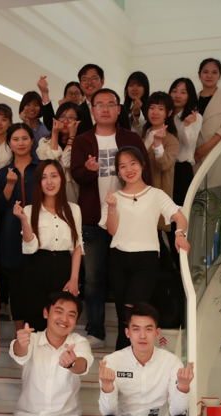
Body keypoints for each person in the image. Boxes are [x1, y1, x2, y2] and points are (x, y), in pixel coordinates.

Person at [70, 88, 147, 350]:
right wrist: (89, 171)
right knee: (93, 278)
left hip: (127, 220)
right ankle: (96, 331)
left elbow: (145, 172)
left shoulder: (131, 138)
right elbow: (77, 176)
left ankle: (129, 333)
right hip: (93, 219)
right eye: (99, 105)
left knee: (123, 278)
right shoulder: (83, 140)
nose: (105, 109)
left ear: (118, 109)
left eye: (110, 104)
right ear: (92, 110)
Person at [0, 292, 99, 416]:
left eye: (71, 315)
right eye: (59, 311)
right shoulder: (31, 339)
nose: (64, 319)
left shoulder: (79, 342)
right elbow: (19, 353)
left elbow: (82, 365)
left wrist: (71, 363)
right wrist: (21, 342)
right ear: (45, 313)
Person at [100, 146, 190, 350]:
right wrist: (112, 208)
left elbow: (179, 217)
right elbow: (112, 230)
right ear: (118, 171)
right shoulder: (113, 197)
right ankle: (124, 360)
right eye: (122, 166)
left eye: (132, 163)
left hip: (146, 260)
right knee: (123, 315)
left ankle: (124, 358)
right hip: (118, 260)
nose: (128, 169)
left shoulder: (156, 194)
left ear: (142, 165)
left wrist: (179, 234)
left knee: (131, 311)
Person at [97, 303, 195, 416]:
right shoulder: (112, 361)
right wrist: (107, 386)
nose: (142, 336)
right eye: (136, 329)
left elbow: (177, 411)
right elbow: (109, 412)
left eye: (148, 329)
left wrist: (183, 387)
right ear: (127, 333)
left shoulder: (171, 362)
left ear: (157, 333)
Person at [13, 160, 83, 331]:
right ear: (38, 182)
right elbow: (30, 248)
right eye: (44, 177)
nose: (49, 182)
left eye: (54, 176)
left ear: (62, 179)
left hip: (63, 268)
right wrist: (24, 220)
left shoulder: (74, 210)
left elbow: (77, 246)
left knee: (60, 321)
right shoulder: (29, 211)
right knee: (35, 321)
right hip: (36, 269)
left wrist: (74, 279)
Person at [0, 123, 40, 332]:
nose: (20, 143)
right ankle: (21, 333)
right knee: (17, 287)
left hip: (38, 232)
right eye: (15, 139)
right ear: (9, 143)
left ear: (32, 141)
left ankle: (38, 332)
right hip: (11, 234)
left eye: (24, 138)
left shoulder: (41, 168)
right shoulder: (3, 173)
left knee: (37, 286)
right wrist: (10, 185)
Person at [193, 58, 221, 263]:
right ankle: (192, 259)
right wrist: (196, 152)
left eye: (214, 72)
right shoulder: (192, 98)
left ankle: (203, 260)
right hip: (194, 160)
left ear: (219, 75)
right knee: (194, 213)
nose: (209, 75)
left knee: (212, 215)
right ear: (199, 74)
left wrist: (204, 149)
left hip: (217, 159)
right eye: (205, 71)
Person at [39, 65, 131, 134]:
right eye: (84, 79)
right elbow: (52, 126)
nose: (89, 82)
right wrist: (45, 94)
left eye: (93, 78)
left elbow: (127, 137)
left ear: (102, 81)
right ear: (80, 84)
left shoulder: (118, 109)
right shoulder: (77, 111)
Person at [169, 77, 202, 267]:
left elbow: (188, 143)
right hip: (165, 168)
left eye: (183, 92)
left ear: (190, 96)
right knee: (164, 216)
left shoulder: (194, 116)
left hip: (182, 170)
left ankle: (181, 264)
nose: (178, 95)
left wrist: (188, 124)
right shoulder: (166, 114)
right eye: (175, 90)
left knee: (179, 216)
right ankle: (171, 264)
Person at [141, 91, 179, 232]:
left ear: (169, 113)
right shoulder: (141, 135)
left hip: (157, 195)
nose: (155, 112)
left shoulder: (171, 140)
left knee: (157, 236)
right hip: (139, 193)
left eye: (161, 109)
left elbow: (164, 165)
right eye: (152, 107)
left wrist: (157, 143)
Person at [35, 102, 81, 203]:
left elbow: (66, 163)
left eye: (71, 117)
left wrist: (72, 135)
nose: (65, 121)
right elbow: (49, 163)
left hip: (73, 192)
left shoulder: (81, 143)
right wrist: (55, 133)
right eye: (62, 116)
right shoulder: (44, 141)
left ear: (78, 121)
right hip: (49, 190)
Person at [19, 91, 51, 157]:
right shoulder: (18, 129)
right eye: (28, 105)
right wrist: (26, 124)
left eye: (35, 105)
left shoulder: (47, 127)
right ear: (22, 107)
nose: (31, 108)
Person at [122, 71, 150, 135]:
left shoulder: (151, 109)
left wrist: (137, 112)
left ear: (145, 88)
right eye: (131, 85)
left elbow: (143, 130)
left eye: (139, 85)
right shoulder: (124, 109)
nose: (134, 89)